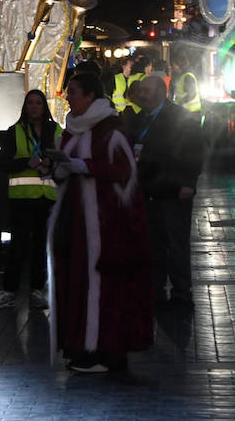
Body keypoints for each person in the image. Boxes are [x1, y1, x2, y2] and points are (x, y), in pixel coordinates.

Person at [42, 71, 153, 373]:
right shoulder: (72, 130)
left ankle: (103, 353)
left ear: (91, 96)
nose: (68, 97)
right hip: (73, 224)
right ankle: (79, 347)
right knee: (75, 284)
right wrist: (59, 170)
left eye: (74, 92)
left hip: (105, 228)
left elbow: (125, 172)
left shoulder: (110, 131)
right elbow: (65, 167)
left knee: (101, 288)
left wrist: (85, 167)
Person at [126, 75, 204, 308]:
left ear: (162, 91)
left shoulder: (180, 117)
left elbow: (194, 151)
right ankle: (156, 289)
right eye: (141, 90)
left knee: (176, 242)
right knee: (153, 243)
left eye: (147, 90)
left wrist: (188, 183)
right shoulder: (139, 119)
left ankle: (182, 292)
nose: (143, 95)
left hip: (173, 190)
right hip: (148, 190)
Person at [0, 89, 61, 311]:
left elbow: (65, 158)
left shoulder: (56, 130)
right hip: (21, 199)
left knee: (41, 245)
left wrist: (52, 165)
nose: (34, 106)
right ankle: (10, 290)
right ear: (25, 107)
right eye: (30, 103)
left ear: (44, 106)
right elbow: (2, 164)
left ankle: (37, 290)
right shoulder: (15, 131)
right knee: (17, 246)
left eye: (38, 103)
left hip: (47, 197)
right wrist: (25, 163)